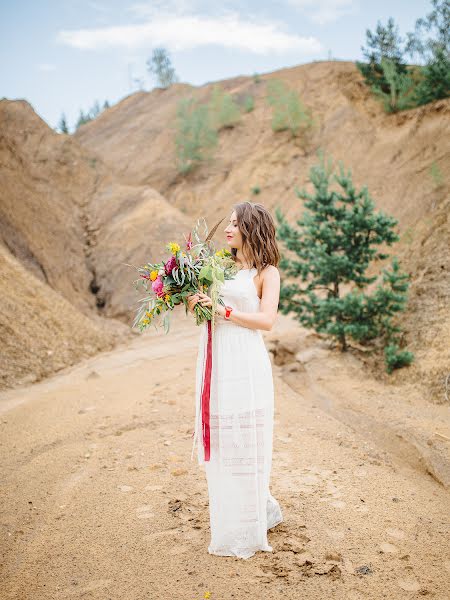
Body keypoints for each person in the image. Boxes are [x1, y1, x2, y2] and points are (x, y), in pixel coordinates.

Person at [187, 201, 283, 559]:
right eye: (227, 223)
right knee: (226, 437)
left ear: (251, 229)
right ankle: (239, 513)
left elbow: (267, 321)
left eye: (234, 223)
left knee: (247, 438)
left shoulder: (267, 272)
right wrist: (194, 300)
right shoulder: (219, 268)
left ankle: (254, 515)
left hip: (245, 358)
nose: (227, 229)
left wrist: (222, 310)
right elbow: (206, 309)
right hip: (217, 357)